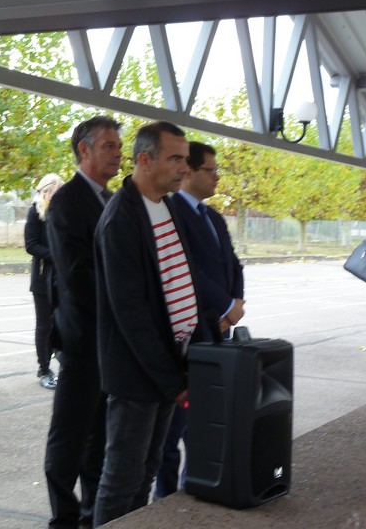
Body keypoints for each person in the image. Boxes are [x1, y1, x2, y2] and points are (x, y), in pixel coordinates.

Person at [93, 121, 208, 526]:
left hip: (168, 368)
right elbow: (132, 314)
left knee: (146, 472)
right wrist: (173, 382)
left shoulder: (165, 205)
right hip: (138, 374)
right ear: (144, 160)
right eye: (175, 159)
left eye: (186, 159)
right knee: (121, 479)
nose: (184, 168)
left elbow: (181, 282)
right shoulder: (121, 219)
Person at [44, 115, 122, 529]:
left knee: (99, 438)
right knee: (69, 436)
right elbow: (76, 274)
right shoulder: (67, 201)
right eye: (109, 146)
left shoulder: (111, 200)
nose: (118, 153)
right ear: (84, 150)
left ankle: (94, 514)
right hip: (82, 338)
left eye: (119, 146)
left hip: (109, 339)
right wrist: (123, 300)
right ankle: (64, 517)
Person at [155, 141, 245, 498]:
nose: (217, 177)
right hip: (189, 335)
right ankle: (164, 501)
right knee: (171, 430)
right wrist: (223, 307)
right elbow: (188, 271)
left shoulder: (213, 217)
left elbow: (233, 263)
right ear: (189, 171)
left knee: (206, 423)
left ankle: (196, 489)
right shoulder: (171, 212)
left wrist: (235, 304)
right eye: (211, 170)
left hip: (218, 333)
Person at [25, 173, 64, 389]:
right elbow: (31, 244)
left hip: (61, 276)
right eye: (55, 192)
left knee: (60, 322)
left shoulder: (62, 211)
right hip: (42, 277)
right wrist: (55, 255)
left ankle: (61, 363)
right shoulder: (36, 211)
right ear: (46, 191)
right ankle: (44, 368)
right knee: (44, 324)